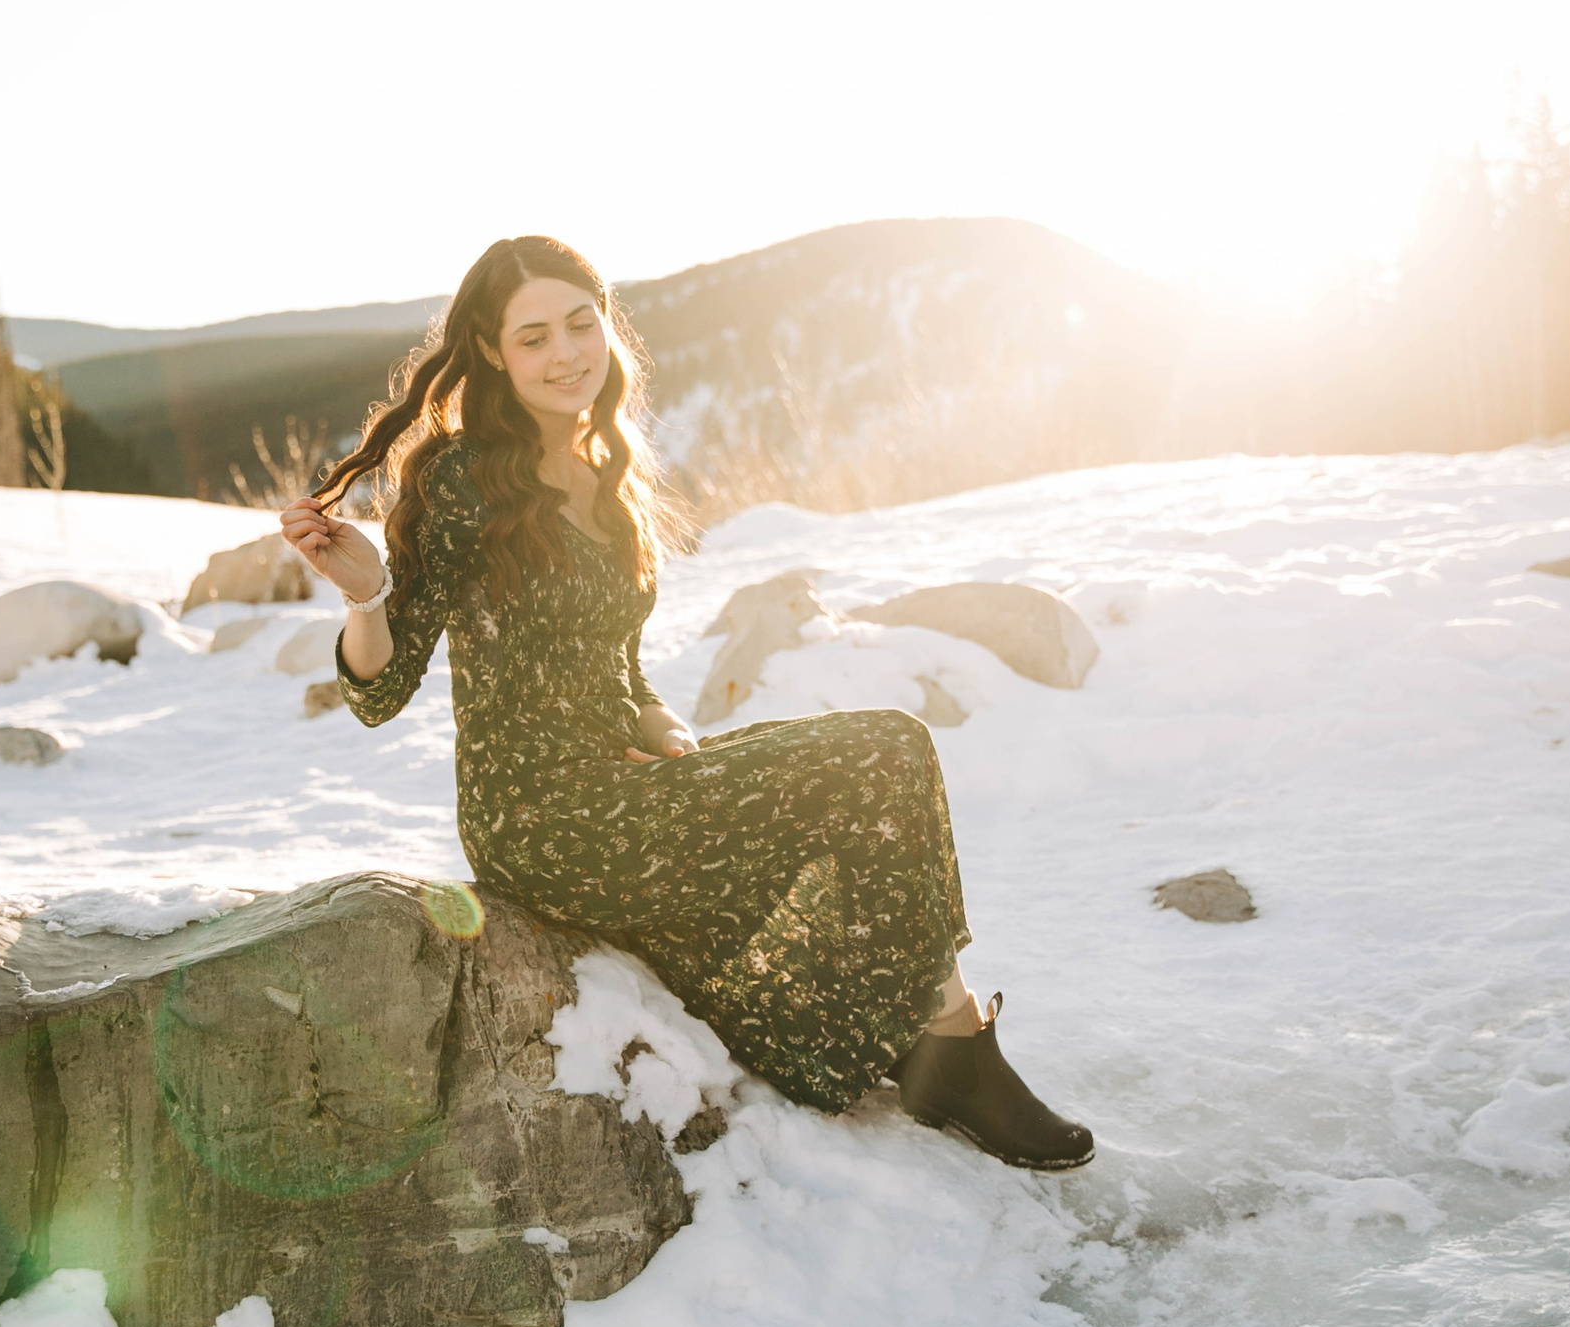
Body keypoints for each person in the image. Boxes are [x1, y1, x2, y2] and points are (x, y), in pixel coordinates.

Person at [278, 236, 1094, 1170]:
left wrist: (668, 735)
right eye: (534, 336)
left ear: (607, 326)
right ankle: (951, 1043)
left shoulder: (606, 470)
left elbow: (617, 673)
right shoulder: (465, 484)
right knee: (884, 750)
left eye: (581, 324)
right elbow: (379, 691)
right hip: (542, 820)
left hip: (619, 785)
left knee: (867, 775)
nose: (566, 353)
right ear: (495, 353)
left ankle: (931, 1042)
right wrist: (367, 592)